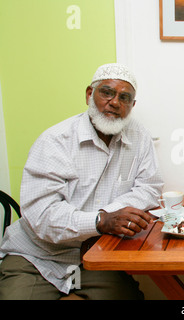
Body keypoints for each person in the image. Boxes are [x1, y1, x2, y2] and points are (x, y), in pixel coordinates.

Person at [0, 63, 164, 299]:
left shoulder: (139, 137)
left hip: (93, 257)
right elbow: (43, 216)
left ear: (132, 105)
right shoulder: (55, 141)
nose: (115, 102)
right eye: (107, 92)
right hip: (36, 258)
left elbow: (150, 187)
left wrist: (106, 216)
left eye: (124, 97)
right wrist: (100, 221)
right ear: (90, 94)